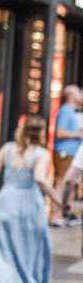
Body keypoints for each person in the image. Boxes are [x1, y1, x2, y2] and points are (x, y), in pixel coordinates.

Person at [0, 115, 61, 283]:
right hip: (30, 205)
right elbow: (39, 178)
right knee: (34, 247)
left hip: (7, 203)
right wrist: (57, 200)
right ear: (42, 133)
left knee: (5, 252)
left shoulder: (7, 149)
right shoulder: (41, 153)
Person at [54, 86, 83, 226]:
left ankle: (64, 214)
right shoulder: (65, 110)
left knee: (71, 184)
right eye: (78, 92)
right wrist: (78, 134)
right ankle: (55, 215)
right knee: (62, 183)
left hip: (73, 152)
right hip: (64, 152)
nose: (81, 94)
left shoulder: (75, 111)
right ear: (70, 95)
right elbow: (59, 133)